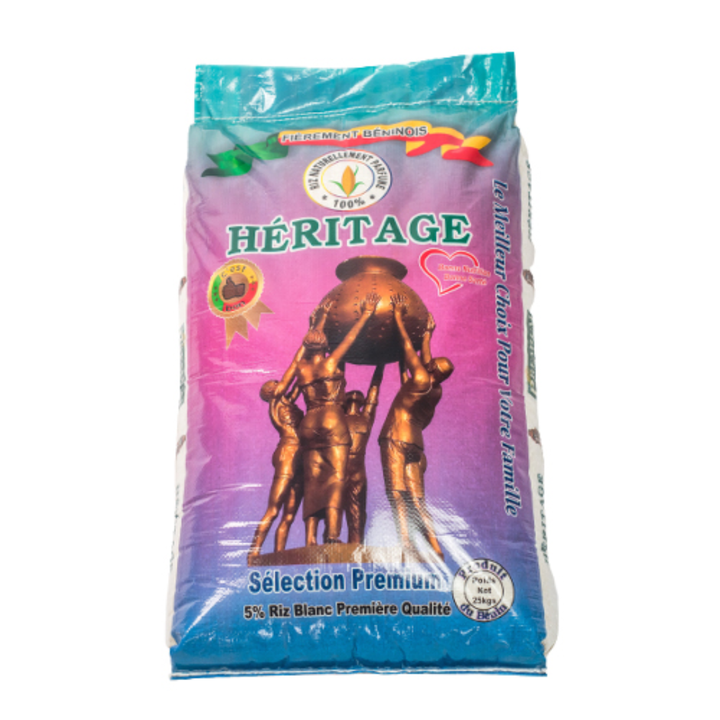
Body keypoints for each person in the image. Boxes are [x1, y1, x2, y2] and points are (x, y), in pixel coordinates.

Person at [275, 293, 380, 545]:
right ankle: (332, 534)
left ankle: (310, 537)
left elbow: (282, 384)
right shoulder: (332, 362)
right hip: (332, 421)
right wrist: (366, 313)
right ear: (325, 347)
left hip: (308, 424)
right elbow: (349, 339)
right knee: (336, 477)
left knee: (312, 480)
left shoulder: (300, 368)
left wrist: (318, 321)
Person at [379, 297, 453, 559]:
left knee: (397, 494)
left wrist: (398, 317)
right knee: (418, 499)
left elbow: (407, 348)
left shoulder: (420, 377)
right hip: (415, 442)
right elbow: (427, 362)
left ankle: (407, 546)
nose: (428, 362)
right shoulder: (436, 390)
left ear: (431, 369)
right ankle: (435, 547)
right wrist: (428, 336)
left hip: (395, 438)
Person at [248, 382, 304, 558]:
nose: (278, 383)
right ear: (270, 392)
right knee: (273, 510)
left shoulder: (288, 403)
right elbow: (289, 384)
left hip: (301, 455)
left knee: (290, 515)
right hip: (287, 451)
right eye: (273, 384)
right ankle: (253, 552)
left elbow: (299, 384)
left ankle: (279, 554)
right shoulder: (275, 404)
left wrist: (305, 367)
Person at [343, 364, 384, 544]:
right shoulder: (336, 417)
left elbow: (374, 389)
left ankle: (355, 543)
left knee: (357, 509)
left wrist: (381, 365)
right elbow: (337, 384)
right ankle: (331, 539)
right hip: (338, 466)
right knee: (334, 508)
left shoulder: (365, 417)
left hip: (357, 469)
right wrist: (340, 360)